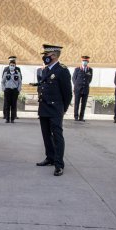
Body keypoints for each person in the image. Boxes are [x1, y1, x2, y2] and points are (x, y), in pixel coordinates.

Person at [36, 44, 72, 176]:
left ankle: (59, 164)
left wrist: (63, 109)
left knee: (57, 136)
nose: (44, 57)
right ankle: (50, 157)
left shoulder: (62, 70)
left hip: (56, 109)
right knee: (46, 135)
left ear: (54, 56)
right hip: (44, 107)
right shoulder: (45, 70)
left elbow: (67, 93)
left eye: (46, 55)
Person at [72, 56, 93, 121]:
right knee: (77, 103)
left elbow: (90, 79)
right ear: (82, 61)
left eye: (86, 61)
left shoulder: (90, 70)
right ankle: (76, 116)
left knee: (84, 104)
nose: (85, 62)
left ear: (88, 62)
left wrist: (85, 84)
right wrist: (76, 85)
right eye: (84, 61)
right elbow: (73, 78)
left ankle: (81, 117)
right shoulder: (77, 69)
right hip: (78, 89)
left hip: (85, 89)